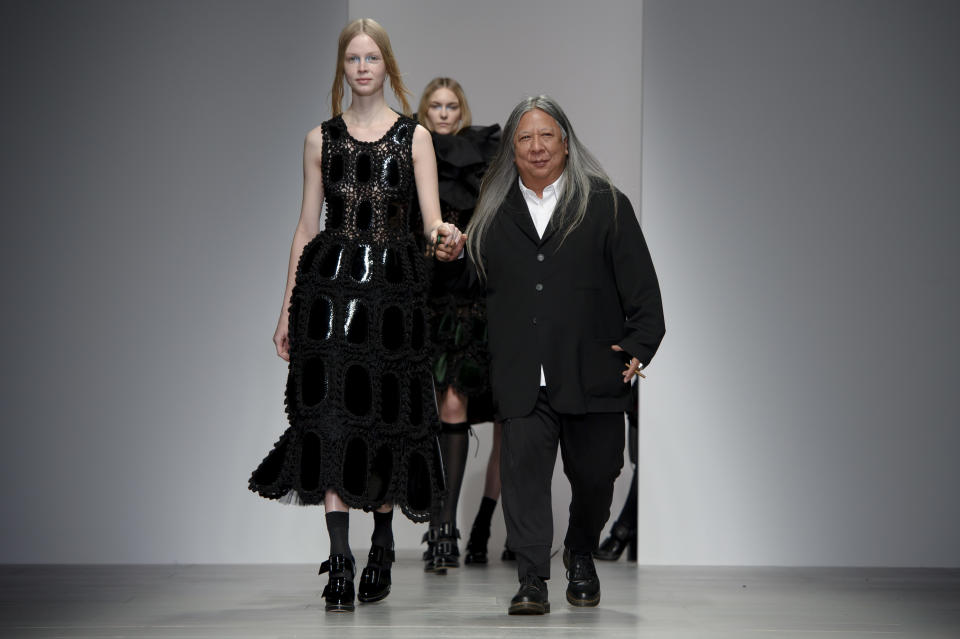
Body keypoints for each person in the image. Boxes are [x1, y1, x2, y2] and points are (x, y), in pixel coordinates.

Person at [247, 18, 461, 613]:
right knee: (330, 420)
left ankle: (383, 546)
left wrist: (448, 239)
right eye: (352, 59)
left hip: (392, 304)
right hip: (328, 301)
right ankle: (340, 559)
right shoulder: (320, 140)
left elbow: (430, 221)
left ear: (386, 66)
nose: (362, 68)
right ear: (342, 69)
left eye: (371, 58)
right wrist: (287, 309)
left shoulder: (414, 138)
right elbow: (305, 225)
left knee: (388, 423)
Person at [441, 95, 665, 615]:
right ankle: (532, 578)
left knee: (595, 475)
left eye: (547, 135)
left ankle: (581, 551)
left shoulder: (607, 205)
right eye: (524, 138)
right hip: (522, 374)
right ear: (511, 152)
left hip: (593, 374)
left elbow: (646, 301)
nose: (536, 146)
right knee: (523, 480)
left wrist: (636, 350)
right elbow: (467, 285)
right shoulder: (493, 216)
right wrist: (451, 256)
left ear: (566, 142)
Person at [413, 77, 511, 572]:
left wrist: (473, 238)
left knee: (456, 404)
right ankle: (439, 524)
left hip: (470, 295)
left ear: (463, 109)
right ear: (424, 109)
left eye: (452, 106)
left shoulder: (484, 155)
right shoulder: (410, 148)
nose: (445, 113)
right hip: (422, 292)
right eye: (436, 105)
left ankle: (444, 527)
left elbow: (498, 218)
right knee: (425, 412)